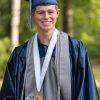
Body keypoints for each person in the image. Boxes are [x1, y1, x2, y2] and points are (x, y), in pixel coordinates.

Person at [0, 0, 98, 100]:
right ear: (33, 14)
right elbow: (8, 95)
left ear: (57, 13)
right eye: (40, 12)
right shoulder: (20, 54)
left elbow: (86, 92)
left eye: (50, 12)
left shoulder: (75, 49)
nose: (46, 17)